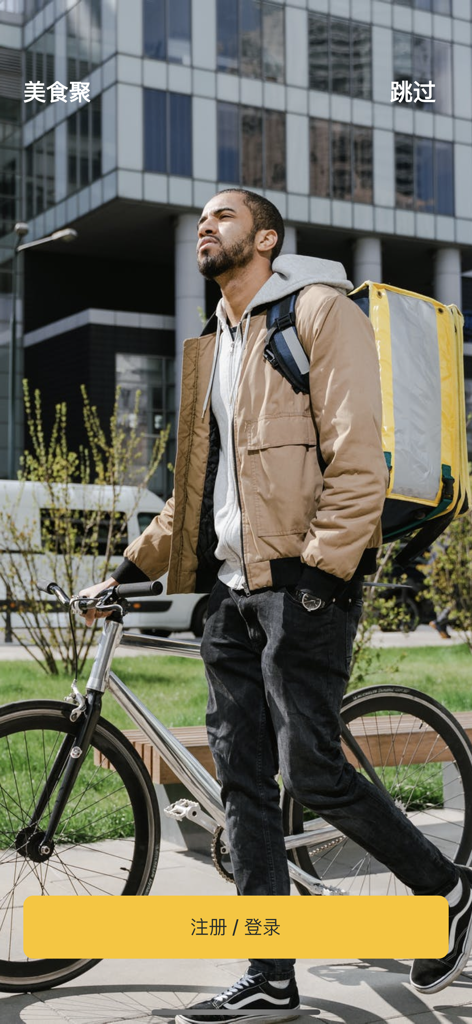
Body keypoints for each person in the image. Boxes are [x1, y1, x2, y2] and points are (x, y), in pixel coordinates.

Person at [82, 188, 472, 1023]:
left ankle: (444, 888)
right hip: (232, 593)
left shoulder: (319, 313)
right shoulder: (213, 346)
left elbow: (358, 458)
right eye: (199, 219)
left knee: (313, 772)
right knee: (244, 786)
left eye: (223, 217)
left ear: (265, 239)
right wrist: (125, 571)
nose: (205, 226)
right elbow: (194, 498)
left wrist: (324, 575)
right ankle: (270, 973)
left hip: (304, 584)